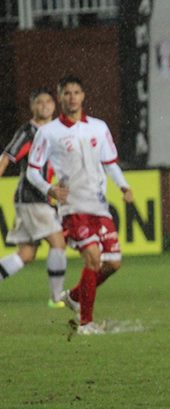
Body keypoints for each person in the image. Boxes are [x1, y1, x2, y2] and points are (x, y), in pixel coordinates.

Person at [26, 75, 135, 335]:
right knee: (93, 259)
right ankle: (86, 323)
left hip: (98, 205)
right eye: (67, 93)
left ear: (83, 96)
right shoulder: (48, 132)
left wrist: (123, 185)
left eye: (76, 92)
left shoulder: (98, 127)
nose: (72, 97)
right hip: (73, 208)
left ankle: (75, 296)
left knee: (114, 264)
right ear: (60, 97)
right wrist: (49, 188)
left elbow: (110, 163)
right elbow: (32, 171)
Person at [0, 89, 68, 306]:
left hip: (37, 200)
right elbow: (7, 156)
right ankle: (57, 298)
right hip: (32, 198)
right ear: (33, 107)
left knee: (26, 254)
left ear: (54, 105)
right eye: (39, 102)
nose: (45, 105)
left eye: (48, 101)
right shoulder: (28, 132)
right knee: (58, 243)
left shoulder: (57, 130)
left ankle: (56, 296)